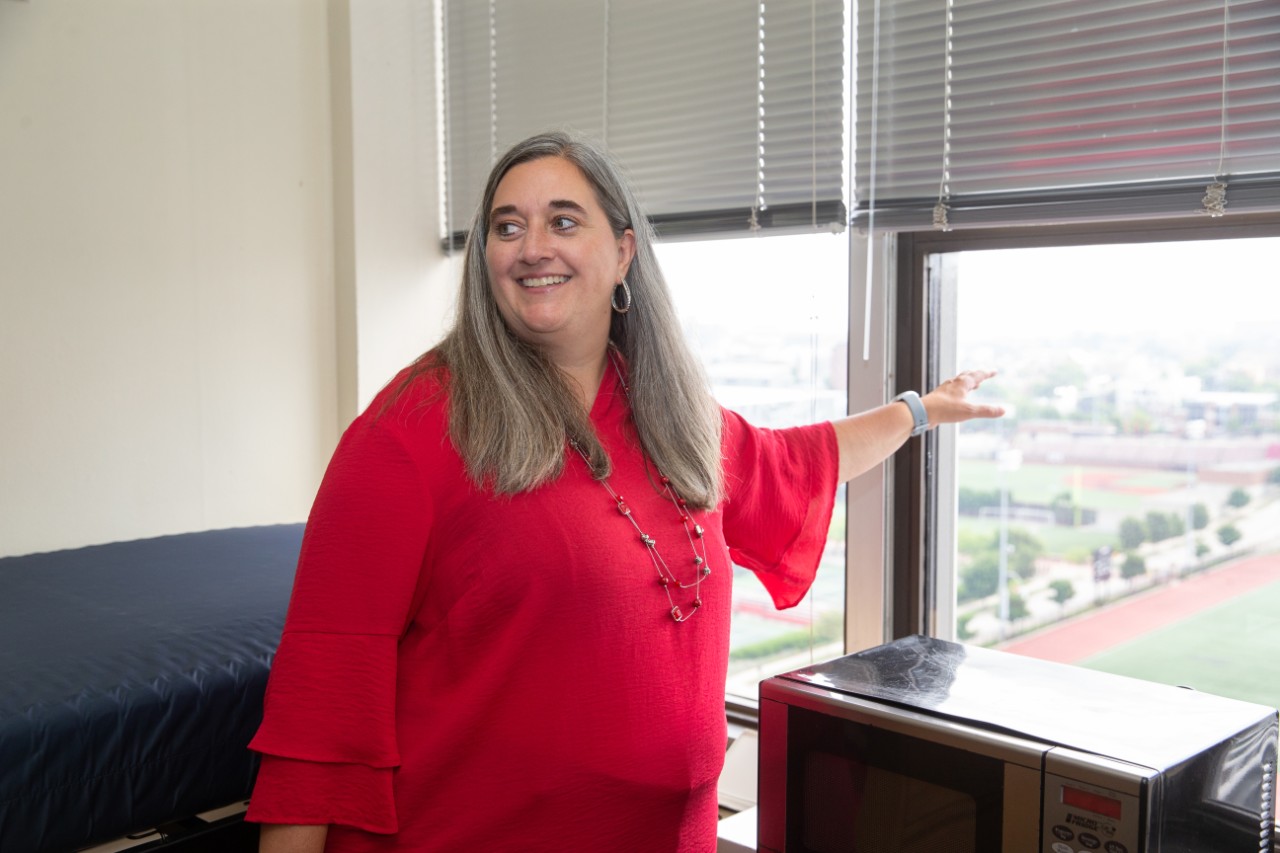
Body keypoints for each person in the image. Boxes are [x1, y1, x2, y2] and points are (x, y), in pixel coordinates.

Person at [246, 131, 1003, 853]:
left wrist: (920, 411)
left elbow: (794, 461)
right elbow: (322, 705)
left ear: (622, 252)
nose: (533, 245)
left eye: (562, 220)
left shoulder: (667, 414)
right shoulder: (407, 434)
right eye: (507, 227)